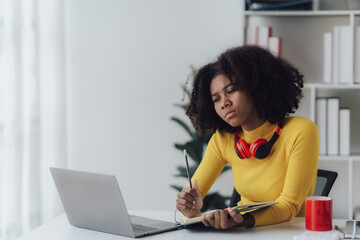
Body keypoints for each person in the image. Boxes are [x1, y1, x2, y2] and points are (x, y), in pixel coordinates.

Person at [175, 45, 319, 229]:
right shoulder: (223, 139)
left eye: (230, 91)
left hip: (288, 232)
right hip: (244, 231)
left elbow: (289, 206)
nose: (224, 103)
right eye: (216, 99)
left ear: (254, 86)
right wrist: (189, 207)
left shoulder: (301, 130)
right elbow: (195, 192)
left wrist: (243, 221)